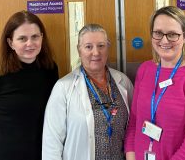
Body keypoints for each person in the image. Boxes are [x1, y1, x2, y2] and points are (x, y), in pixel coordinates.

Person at [125, 6, 185, 160]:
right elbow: (134, 123)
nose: (164, 40)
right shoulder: (145, 70)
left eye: (172, 34)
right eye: (158, 33)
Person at [0, 11, 59, 160]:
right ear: (10, 43)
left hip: (41, 155)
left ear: (42, 38)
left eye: (35, 37)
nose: (30, 43)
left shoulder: (50, 70)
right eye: (22, 38)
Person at [42, 23, 133, 160]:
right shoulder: (63, 88)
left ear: (108, 48)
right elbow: (51, 143)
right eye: (88, 47)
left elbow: (134, 126)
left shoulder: (123, 82)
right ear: (79, 50)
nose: (96, 52)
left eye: (101, 46)